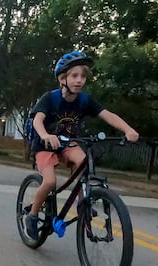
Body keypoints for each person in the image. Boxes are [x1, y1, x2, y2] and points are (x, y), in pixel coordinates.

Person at [25, 51, 139, 240]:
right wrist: (46, 135)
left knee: (84, 162)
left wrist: (128, 130)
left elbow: (108, 115)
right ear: (63, 78)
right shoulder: (50, 98)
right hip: (46, 145)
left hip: (68, 143)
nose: (79, 80)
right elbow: (38, 120)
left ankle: (82, 204)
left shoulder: (84, 101)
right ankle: (32, 215)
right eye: (74, 76)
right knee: (50, 182)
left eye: (83, 76)